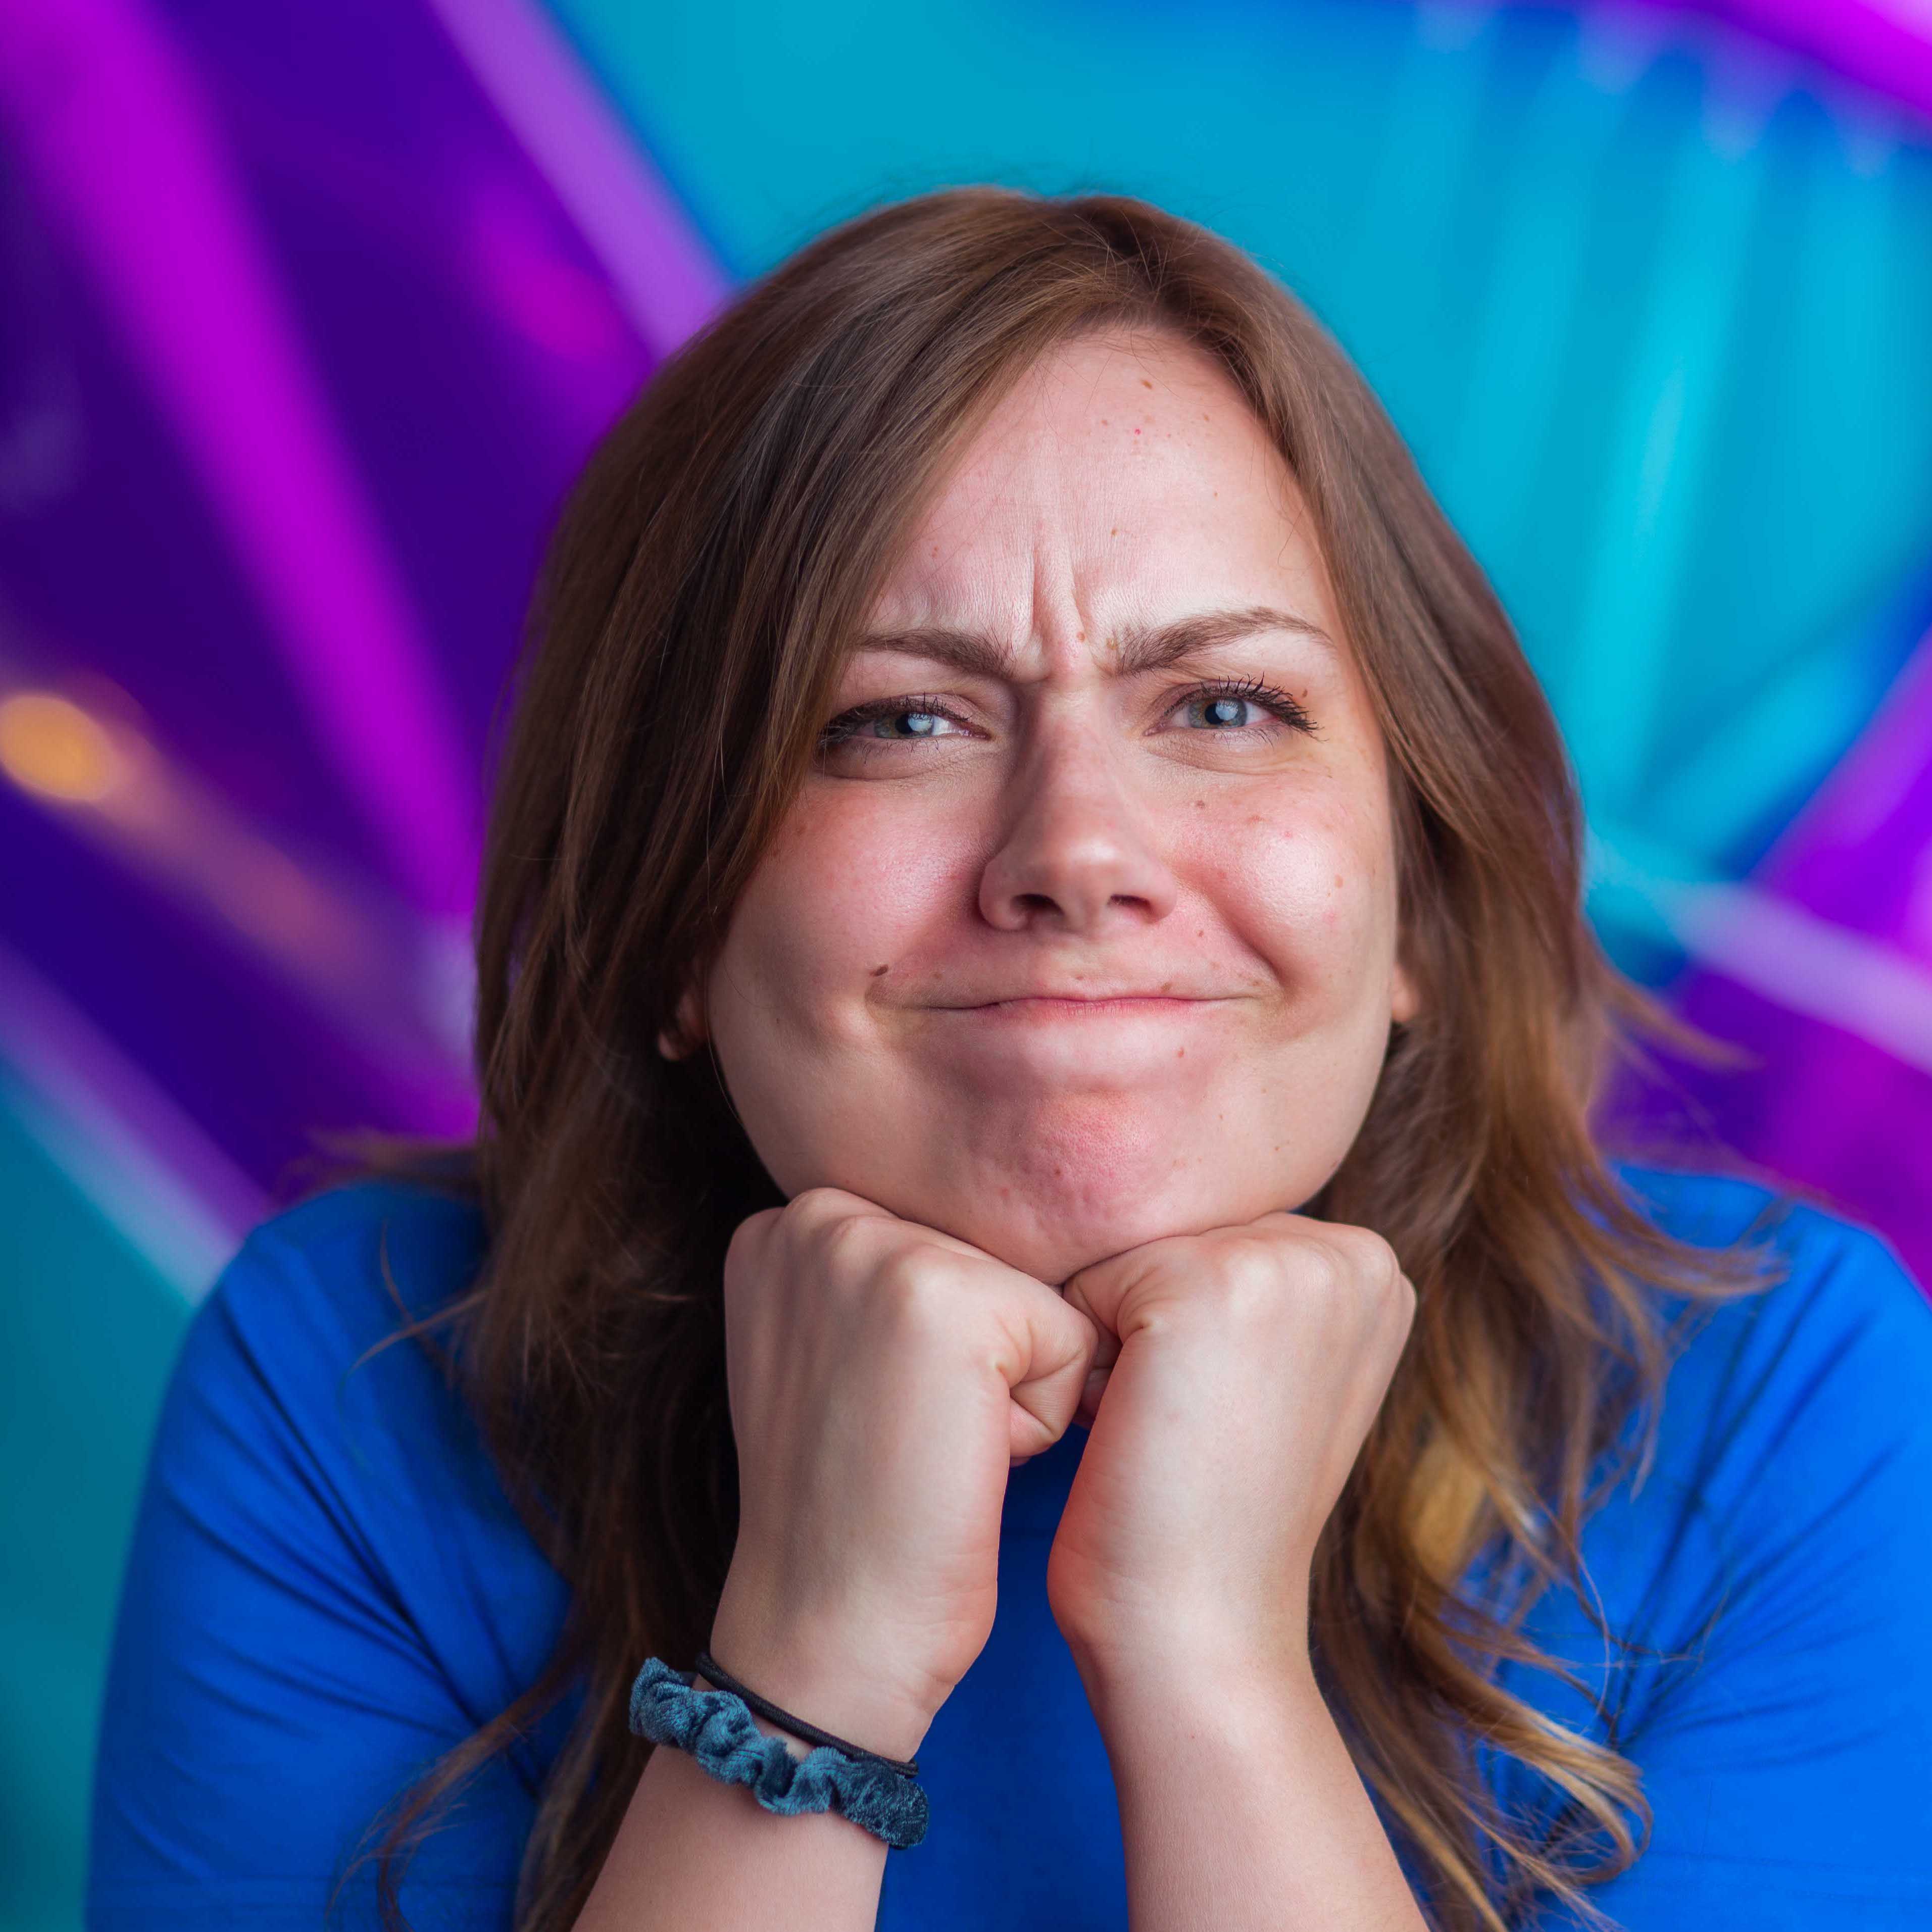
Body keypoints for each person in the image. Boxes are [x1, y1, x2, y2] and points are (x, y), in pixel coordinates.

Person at [87, 188, 1932, 1932]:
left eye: (1224, 705)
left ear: (1417, 915)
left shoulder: (1777, 1398)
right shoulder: (355, 1375)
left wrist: (1206, 1656)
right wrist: (815, 1646)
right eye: (896, 720)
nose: (1075, 852)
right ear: (672, 918)